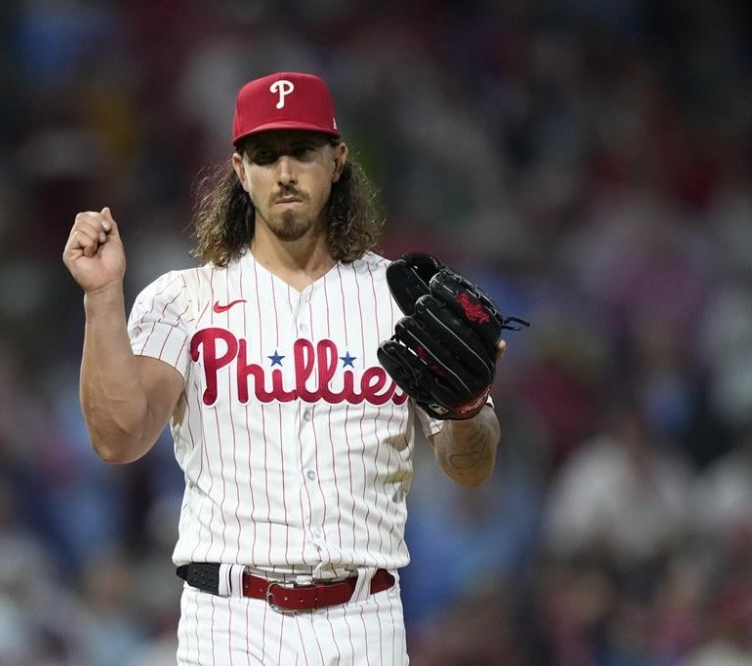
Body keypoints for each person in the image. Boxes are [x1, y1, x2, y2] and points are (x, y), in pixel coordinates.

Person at [62, 71, 506, 665]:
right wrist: (102, 297)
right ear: (240, 171)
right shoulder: (183, 298)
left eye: (303, 151)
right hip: (228, 619)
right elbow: (118, 439)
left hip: (363, 618)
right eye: (266, 155)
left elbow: (469, 468)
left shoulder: (402, 297)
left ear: (338, 160)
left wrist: (469, 410)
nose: (286, 172)